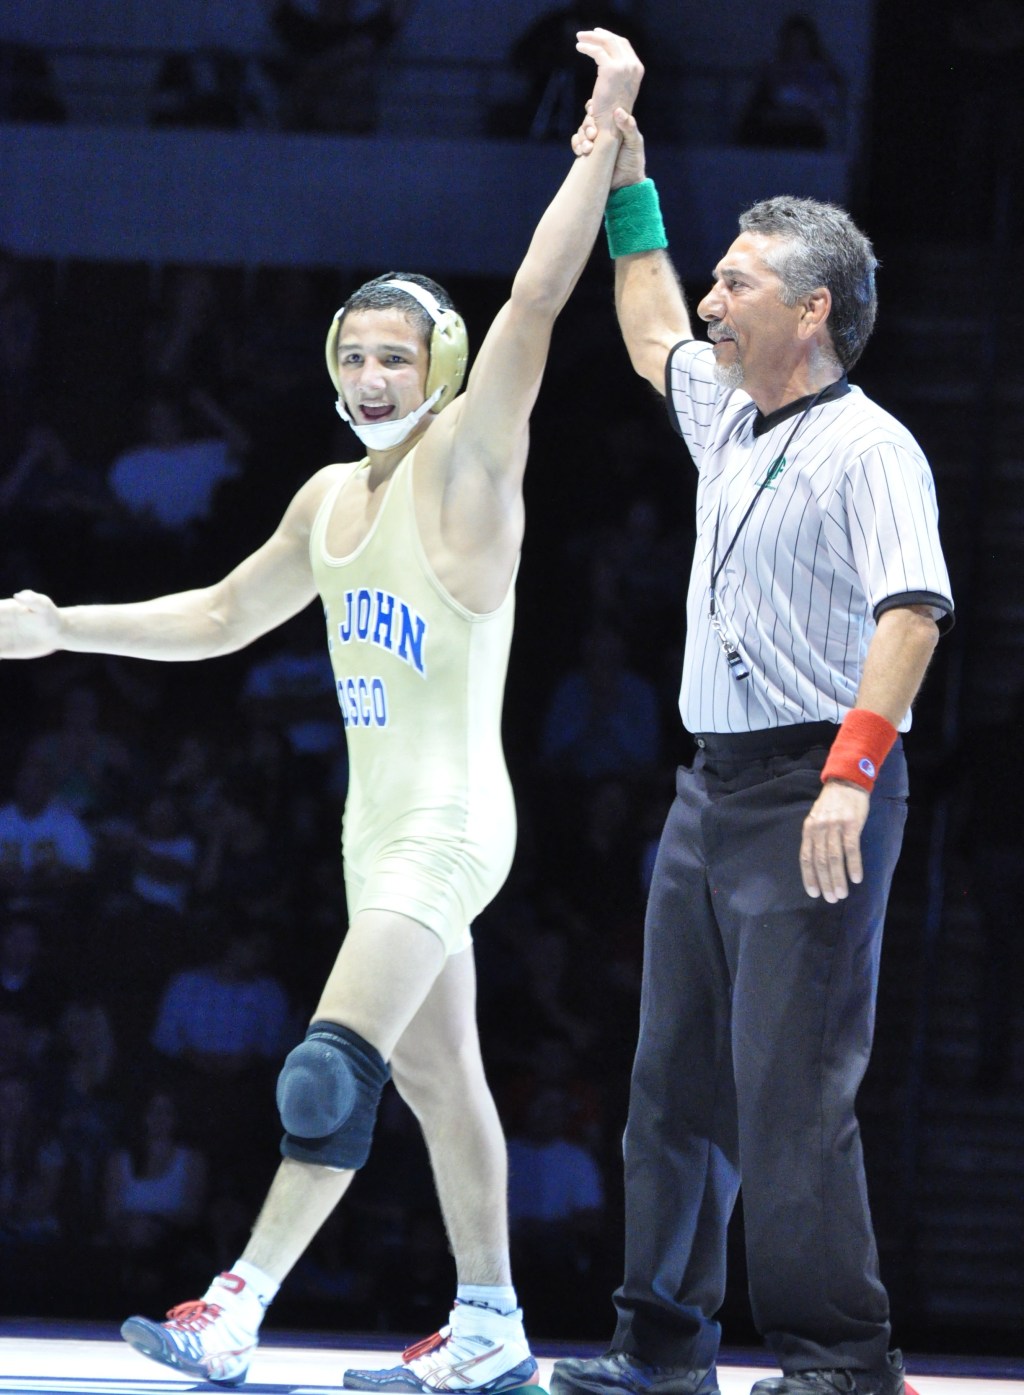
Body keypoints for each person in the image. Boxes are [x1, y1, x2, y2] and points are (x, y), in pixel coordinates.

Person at [0, 29, 643, 1390]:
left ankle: (234, 1307)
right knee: (439, 1086)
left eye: (396, 357)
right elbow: (226, 614)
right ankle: (491, 1328)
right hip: (379, 837)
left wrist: (606, 132)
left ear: (443, 365)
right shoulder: (328, 499)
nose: (368, 377)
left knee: (324, 1072)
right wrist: (63, 627)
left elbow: (534, 299)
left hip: (450, 831)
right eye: (352, 355)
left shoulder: (469, 464)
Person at [552, 92, 953, 1395]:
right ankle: (660, 1352)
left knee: (789, 1101)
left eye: (739, 282)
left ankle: (842, 1361)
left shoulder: (869, 447)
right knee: (668, 1095)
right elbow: (647, 319)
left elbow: (912, 618)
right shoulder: (728, 420)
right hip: (710, 791)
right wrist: (629, 176)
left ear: (814, 308)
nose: (713, 301)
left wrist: (850, 773)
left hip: (814, 789)